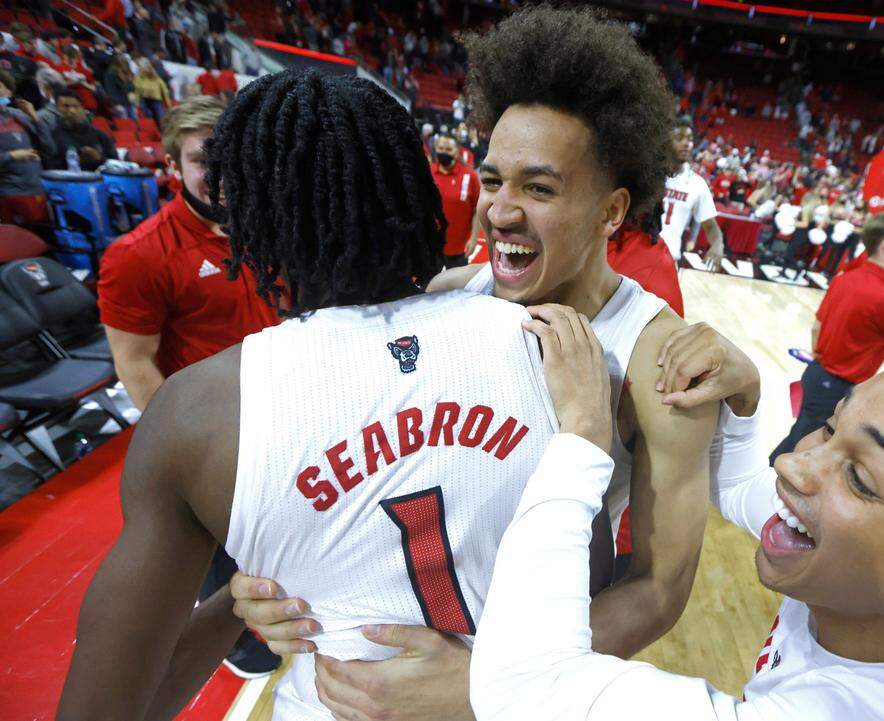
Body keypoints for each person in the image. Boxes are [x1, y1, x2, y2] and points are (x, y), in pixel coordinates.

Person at [57, 69, 619, 721]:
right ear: (410, 186)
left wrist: (233, 603)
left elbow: (104, 709)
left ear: (253, 213)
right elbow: (592, 583)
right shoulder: (547, 342)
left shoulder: (197, 413)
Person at [229, 8, 722, 720]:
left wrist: (490, 682)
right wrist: (271, 585)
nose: (501, 210)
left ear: (612, 210)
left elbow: (660, 589)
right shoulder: (444, 298)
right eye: (493, 180)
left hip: (539, 680)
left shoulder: (657, 361)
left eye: (539, 188)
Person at [469, 325, 884, 721]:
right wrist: (749, 389)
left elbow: (523, 687)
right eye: (830, 424)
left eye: (859, 476)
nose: (797, 464)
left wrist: (582, 438)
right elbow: (744, 487)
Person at [96, 94, 285, 678]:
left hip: (285, 415)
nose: (222, 172)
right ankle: (232, 642)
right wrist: (184, 451)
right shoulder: (137, 256)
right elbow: (134, 363)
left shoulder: (269, 228)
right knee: (217, 545)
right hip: (210, 435)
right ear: (173, 164)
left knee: (277, 539)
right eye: (205, 159)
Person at [770, 210, 884, 464]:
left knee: (799, 440)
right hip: (837, 387)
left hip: (817, 375)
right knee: (802, 452)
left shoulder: (845, 278)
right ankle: (756, 494)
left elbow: (816, 326)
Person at [660, 117, 725, 269]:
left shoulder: (698, 184)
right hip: (638, 255)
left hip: (668, 261)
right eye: (679, 138)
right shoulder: (650, 174)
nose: (686, 143)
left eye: (689, 139)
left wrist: (717, 244)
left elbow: (710, 226)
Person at [0, 69, 54, 227]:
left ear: (9, 91)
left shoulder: (21, 116)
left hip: (37, 190)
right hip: (8, 194)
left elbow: (49, 149)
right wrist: (13, 155)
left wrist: (36, 118)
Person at [430, 132, 480, 268]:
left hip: (459, 248)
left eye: (448, 149)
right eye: (440, 148)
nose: (443, 152)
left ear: (456, 151)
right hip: (432, 246)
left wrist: (474, 238)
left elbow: (477, 210)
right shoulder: (427, 174)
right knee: (429, 287)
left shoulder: (470, 176)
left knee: (456, 288)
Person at [44, 90, 117, 172]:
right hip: (66, 182)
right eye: (66, 106)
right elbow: (48, 166)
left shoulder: (100, 135)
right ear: (56, 109)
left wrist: (99, 158)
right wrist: (74, 161)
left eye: (76, 106)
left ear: (83, 108)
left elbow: (117, 164)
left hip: (99, 181)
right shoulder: (52, 135)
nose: (72, 110)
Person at [133, 57, 172, 122]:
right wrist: (137, 103)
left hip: (156, 101)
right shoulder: (138, 78)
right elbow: (137, 90)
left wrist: (168, 106)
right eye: (141, 67)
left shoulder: (157, 79)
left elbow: (164, 92)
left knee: (161, 119)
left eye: (143, 67)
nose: (142, 69)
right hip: (144, 101)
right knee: (149, 119)